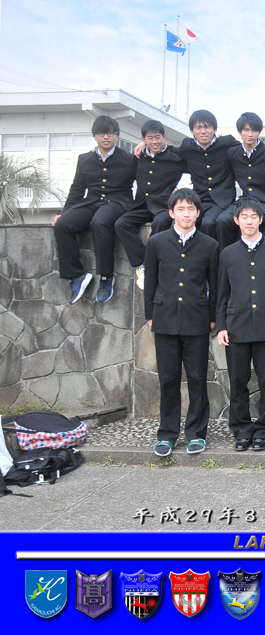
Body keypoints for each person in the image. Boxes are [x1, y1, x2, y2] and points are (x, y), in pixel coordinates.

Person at [144, 188, 219, 456]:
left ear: (198, 213)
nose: (186, 214)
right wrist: (150, 314)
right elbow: (150, 281)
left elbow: (214, 285)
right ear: (171, 213)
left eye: (191, 209)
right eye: (181, 209)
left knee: (197, 379)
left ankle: (196, 434)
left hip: (197, 321)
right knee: (168, 379)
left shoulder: (210, 245)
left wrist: (212, 317)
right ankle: (167, 434)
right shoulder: (157, 242)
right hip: (164, 320)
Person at [216, 198, 265, 452]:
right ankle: (241, 430)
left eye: (253, 216)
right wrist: (221, 326)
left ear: (261, 219)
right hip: (236, 326)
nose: (249, 221)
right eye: (244, 217)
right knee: (238, 381)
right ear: (236, 220)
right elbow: (222, 294)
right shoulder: (227, 253)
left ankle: (264, 430)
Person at [54, 115, 137, 303]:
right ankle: (76, 275)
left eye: (110, 133)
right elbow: (77, 189)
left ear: (117, 136)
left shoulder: (130, 159)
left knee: (100, 222)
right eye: (101, 133)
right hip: (91, 201)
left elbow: (145, 181)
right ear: (94, 136)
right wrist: (65, 213)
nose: (106, 137)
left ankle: (106, 277)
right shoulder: (85, 159)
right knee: (63, 225)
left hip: (118, 201)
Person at [114, 119, 188, 290]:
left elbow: (197, 165)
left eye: (157, 137)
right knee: (121, 223)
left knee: (161, 222)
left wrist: (184, 190)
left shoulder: (175, 156)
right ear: (143, 139)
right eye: (149, 138)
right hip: (141, 204)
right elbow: (118, 161)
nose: (154, 141)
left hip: (164, 205)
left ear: (164, 137)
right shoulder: (138, 157)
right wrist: (94, 151)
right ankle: (145, 262)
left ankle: (151, 265)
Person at [212, 112, 265, 250]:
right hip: (245, 200)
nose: (250, 134)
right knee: (223, 221)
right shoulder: (232, 153)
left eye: (254, 130)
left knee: (249, 221)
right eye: (246, 130)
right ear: (239, 132)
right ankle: (225, 258)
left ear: (259, 131)